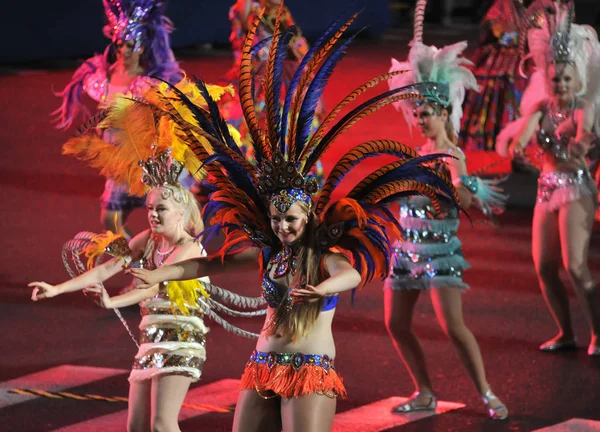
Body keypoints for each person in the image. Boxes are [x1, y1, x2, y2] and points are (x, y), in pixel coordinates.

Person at [123, 7, 458, 431]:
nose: (282, 227)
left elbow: (351, 275)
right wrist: (162, 276)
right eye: (277, 219)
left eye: (290, 220)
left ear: (309, 216)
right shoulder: (271, 253)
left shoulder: (322, 255)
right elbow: (210, 264)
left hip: (309, 369)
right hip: (261, 365)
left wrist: (322, 288)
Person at [385, 0, 509, 420]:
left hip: (438, 253)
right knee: (395, 325)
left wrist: (454, 185)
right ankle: (424, 391)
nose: (420, 118)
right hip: (405, 250)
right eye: (416, 111)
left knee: (453, 328)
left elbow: (466, 202)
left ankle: (488, 393)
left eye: (427, 112)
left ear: (444, 112)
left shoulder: (450, 155)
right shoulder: (417, 153)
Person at [29, 150, 210, 432]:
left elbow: (150, 289)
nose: (151, 214)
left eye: (160, 208)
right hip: (150, 339)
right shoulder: (148, 241)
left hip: (181, 341)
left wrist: (110, 300)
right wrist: (55, 289)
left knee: (162, 424)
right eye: (149, 208)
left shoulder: (189, 249)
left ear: (182, 212)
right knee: (136, 426)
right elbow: (105, 269)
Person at [502, 1, 600, 356]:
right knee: (544, 268)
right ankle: (565, 332)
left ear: (578, 79)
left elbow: (582, 136)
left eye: (566, 78)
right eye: (555, 77)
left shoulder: (582, 108)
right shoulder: (541, 108)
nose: (559, 82)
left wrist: (578, 144)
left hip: (576, 188)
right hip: (546, 189)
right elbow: (521, 138)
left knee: (575, 266)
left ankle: (598, 333)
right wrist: (518, 146)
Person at [53, 0, 183, 241]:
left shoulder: (149, 83)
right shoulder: (104, 76)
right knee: (111, 222)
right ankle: (139, 263)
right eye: (121, 44)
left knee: (160, 224)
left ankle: (150, 270)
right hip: (116, 163)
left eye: (131, 45)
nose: (124, 51)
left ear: (142, 48)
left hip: (145, 161)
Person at [221, 0, 325, 184]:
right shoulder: (249, 11)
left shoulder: (282, 13)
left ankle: (296, 176)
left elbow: (300, 60)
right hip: (258, 95)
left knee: (303, 119)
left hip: (286, 91)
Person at [459, 0, 532, 152]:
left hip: (530, 58)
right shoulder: (503, 6)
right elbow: (502, 37)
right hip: (505, 59)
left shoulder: (541, 7)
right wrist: (524, 39)